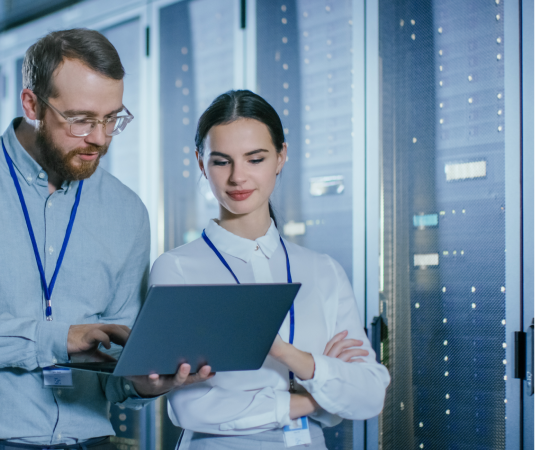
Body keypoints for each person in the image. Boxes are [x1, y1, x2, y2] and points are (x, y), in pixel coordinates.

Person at [0, 29, 211, 450]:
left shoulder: (127, 210)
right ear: (32, 104)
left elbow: (117, 359)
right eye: (81, 120)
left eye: (112, 118)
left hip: (90, 441)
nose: (99, 137)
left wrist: (141, 384)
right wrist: (55, 339)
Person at [149, 90, 391, 449]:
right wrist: (314, 396)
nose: (238, 177)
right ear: (202, 164)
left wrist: (284, 352)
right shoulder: (178, 269)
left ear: (281, 157)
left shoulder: (323, 271)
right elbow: (191, 406)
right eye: (221, 161)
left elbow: (370, 394)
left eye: (255, 159)